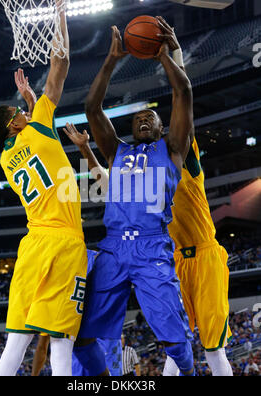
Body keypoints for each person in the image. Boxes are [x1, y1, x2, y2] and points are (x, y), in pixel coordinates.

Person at [75, 19, 195, 376]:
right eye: (139, 118)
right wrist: (111, 60)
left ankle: (189, 372)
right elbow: (92, 109)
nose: (144, 120)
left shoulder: (173, 149)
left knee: (174, 339)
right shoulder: (117, 152)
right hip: (112, 249)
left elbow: (183, 92)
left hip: (151, 247)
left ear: (162, 127)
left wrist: (165, 56)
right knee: (82, 337)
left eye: (151, 118)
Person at [0, 4, 88, 376]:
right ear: (15, 123)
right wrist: (60, 16)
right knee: (61, 339)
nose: (23, 109)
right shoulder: (36, 126)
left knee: (17, 340)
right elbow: (60, 65)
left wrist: (28, 103)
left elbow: (32, 141)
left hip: (33, 243)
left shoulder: (6, 157)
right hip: (63, 242)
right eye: (17, 111)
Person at [157, 18, 233, 377]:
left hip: (205, 257)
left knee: (213, 347)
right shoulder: (146, 173)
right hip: (175, 262)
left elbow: (183, 98)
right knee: (176, 345)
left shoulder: (184, 156)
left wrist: (174, 55)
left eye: (157, 122)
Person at [31, 249, 122, 377]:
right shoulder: (95, 260)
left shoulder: (53, 298)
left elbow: (41, 347)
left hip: (83, 350)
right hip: (92, 347)